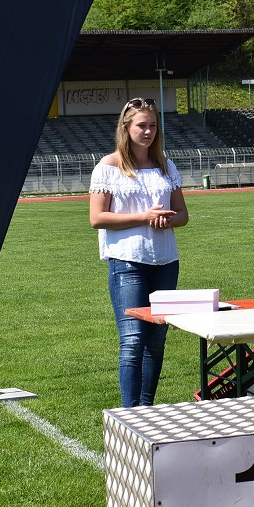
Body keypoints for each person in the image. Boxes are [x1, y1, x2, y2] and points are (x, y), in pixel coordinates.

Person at [89, 98, 188, 407]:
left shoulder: (165, 165)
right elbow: (97, 218)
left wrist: (167, 218)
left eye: (153, 125)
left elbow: (184, 215)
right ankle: (130, 415)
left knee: (156, 342)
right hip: (127, 262)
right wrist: (143, 217)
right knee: (132, 341)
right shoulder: (109, 166)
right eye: (141, 125)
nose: (148, 131)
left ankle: (146, 409)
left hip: (166, 261)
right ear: (126, 127)